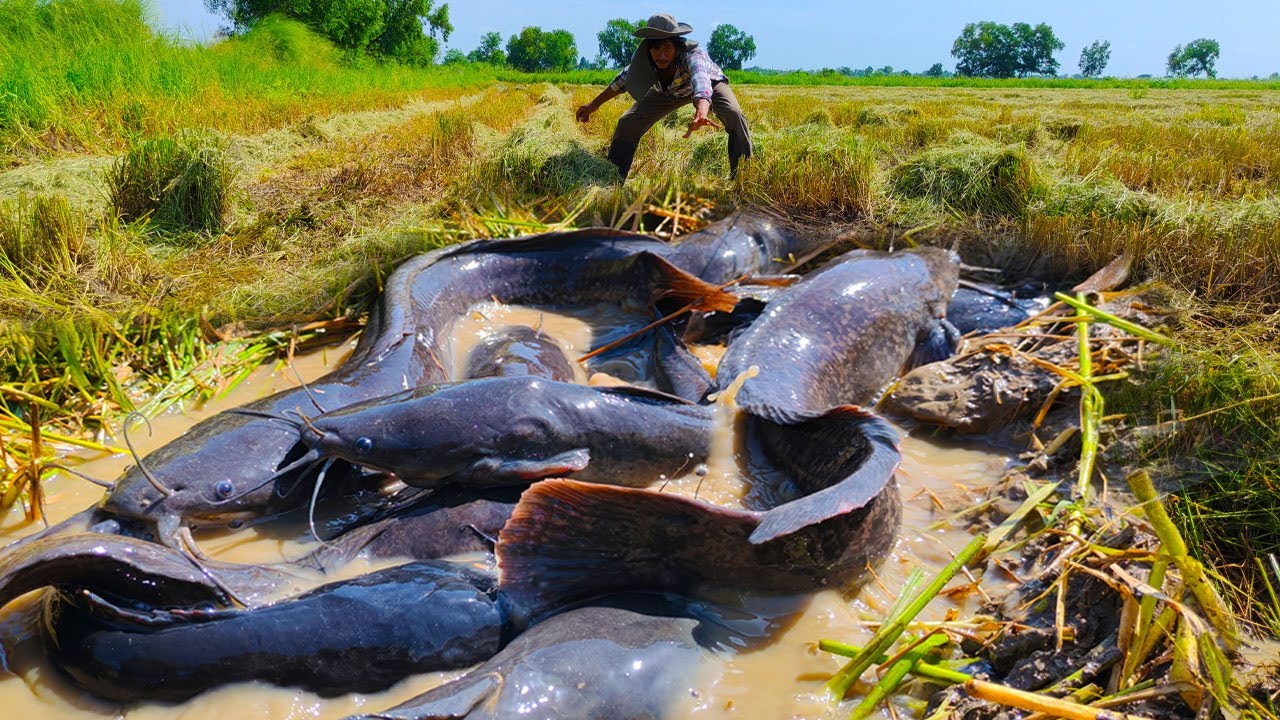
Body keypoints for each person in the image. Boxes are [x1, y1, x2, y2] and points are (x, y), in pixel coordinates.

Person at [575, 13, 752, 181]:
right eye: (656, 48)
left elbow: (702, 82)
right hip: (668, 92)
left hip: (709, 86)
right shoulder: (645, 61)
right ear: (648, 48)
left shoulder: (693, 55)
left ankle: (742, 179)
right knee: (628, 121)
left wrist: (701, 112)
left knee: (733, 113)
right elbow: (622, 81)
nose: (661, 55)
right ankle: (613, 179)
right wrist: (594, 104)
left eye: (667, 48)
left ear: (677, 46)